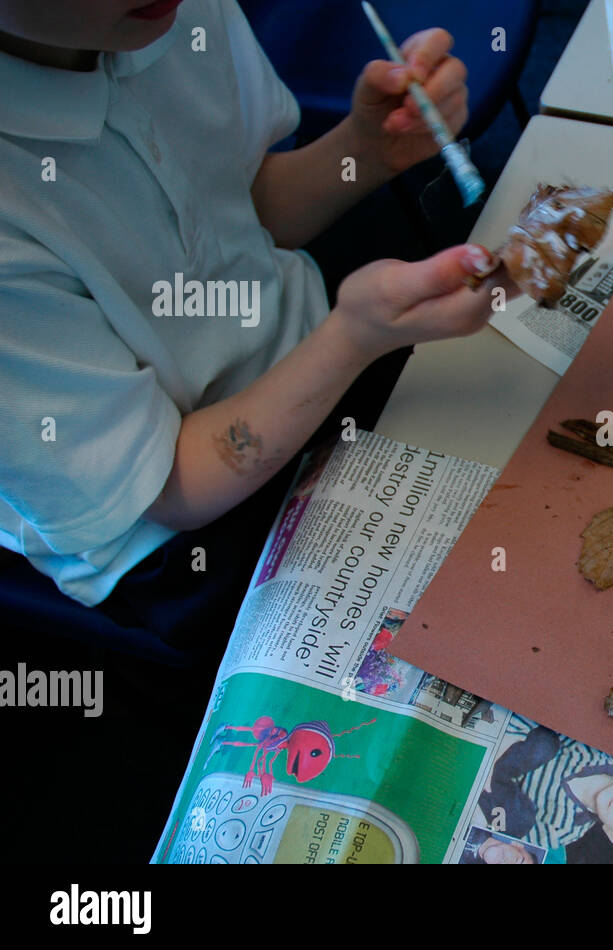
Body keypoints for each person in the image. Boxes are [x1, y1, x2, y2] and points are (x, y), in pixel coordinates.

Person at [0, 0, 510, 652]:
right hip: (180, 524)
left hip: (309, 340)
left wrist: (365, 150)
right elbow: (169, 486)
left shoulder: (163, 13)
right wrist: (353, 339)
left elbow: (239, 212)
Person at [477, 715, 613, 857]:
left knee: (519, 822)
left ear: (611, 833)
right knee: (545, 743)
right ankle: (492, 751)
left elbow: (518, 836)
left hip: (492, 791)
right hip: (509, 741)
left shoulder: (567, 829)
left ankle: (480, 782)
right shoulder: (595, 754)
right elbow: (544, 721)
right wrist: (511, 737)